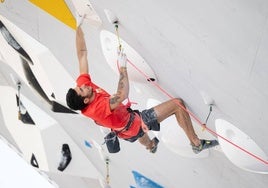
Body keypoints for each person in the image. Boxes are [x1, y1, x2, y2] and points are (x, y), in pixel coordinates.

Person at [66, 19, 218, 154]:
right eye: (81, 89)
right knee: (177, 105)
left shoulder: (83, 88)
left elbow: (82, 55)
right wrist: (123, 68)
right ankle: (196, 144)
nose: (83, 85)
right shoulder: (96, 109)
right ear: (85, 100)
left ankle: (151, 146)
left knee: (138, 135)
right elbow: (122, 95)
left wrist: (78, 27)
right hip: (134, 122)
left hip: (124, 128)